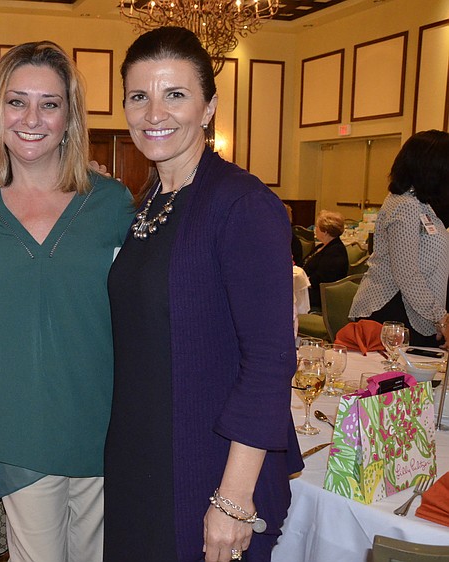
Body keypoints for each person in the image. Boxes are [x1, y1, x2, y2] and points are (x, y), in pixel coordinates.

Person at [103, 27, 303, 562]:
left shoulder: (241, 204)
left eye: (175, 94)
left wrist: (234, 499)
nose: (154, 114)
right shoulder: (149, 203)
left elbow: (269, 360)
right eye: (138, 96)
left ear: (209, 107)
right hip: (143, 455)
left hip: (207, 466)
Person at [0, 42, 134, 562]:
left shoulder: (113, 203)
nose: (32, 118)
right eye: (16, 101)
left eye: (50, 103)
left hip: (105, 417)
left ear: (70, 117)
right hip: (19, 423)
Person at [350, 130, 449, 348]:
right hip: (391, 311)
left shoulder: (424, 205)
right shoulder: (404, 205)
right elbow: (406, 274)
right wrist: (441, 318)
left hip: (417, 312)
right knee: (396, 380)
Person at [301, 210, 349, 311]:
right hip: (309, 288)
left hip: (319, 297)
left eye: (317, 227)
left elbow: (322, 278)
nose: (315, 229)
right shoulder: (322, 246)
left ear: (325, 231)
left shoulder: (336, 251)